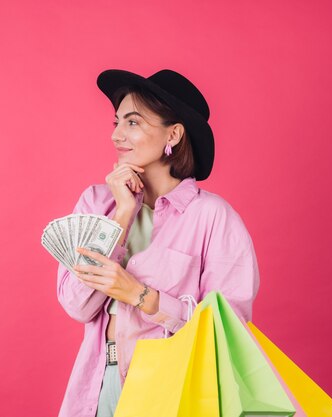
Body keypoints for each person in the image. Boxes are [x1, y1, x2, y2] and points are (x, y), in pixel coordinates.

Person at [56, 69, 260, 417]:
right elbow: (78, 306)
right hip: (100, 382)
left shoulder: (213, 218)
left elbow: (226, 332)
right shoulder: (96, 204)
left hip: (174, 387)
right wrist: (121, 213)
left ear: (174, 134)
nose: (117, 135)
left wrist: (142, 297)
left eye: (133, 123)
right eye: (116, 122)